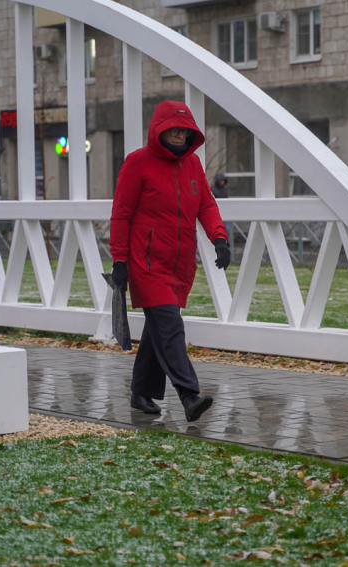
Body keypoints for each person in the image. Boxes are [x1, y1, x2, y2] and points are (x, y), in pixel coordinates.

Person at [110, 100, 230, 423]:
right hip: (146, 264)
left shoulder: (192, 166)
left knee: (158, 329)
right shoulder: (137, 163)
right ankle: (189, 394)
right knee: (170, 326)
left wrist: (220, 238)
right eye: (173, 130)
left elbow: (206, 205)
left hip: (179, 265)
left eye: (184, 131)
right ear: (159, 130)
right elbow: (121, 214)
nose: (179, 136)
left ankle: (140, 392)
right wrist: (119, 259)